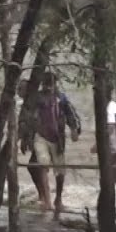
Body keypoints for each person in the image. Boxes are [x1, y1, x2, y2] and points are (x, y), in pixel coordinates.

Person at [19, 71, 81, 218]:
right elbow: (27, 117)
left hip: (57, 138)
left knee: (60, 171)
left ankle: (58, 198)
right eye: (46, 84)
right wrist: (24, 137)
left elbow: (71, 114)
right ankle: (47, 199)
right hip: (41, 136)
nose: (48, 88)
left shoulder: (61, 98)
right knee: (42, 164)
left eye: (50, 84)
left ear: (54, 84)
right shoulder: (38, 98)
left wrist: (74, 129)